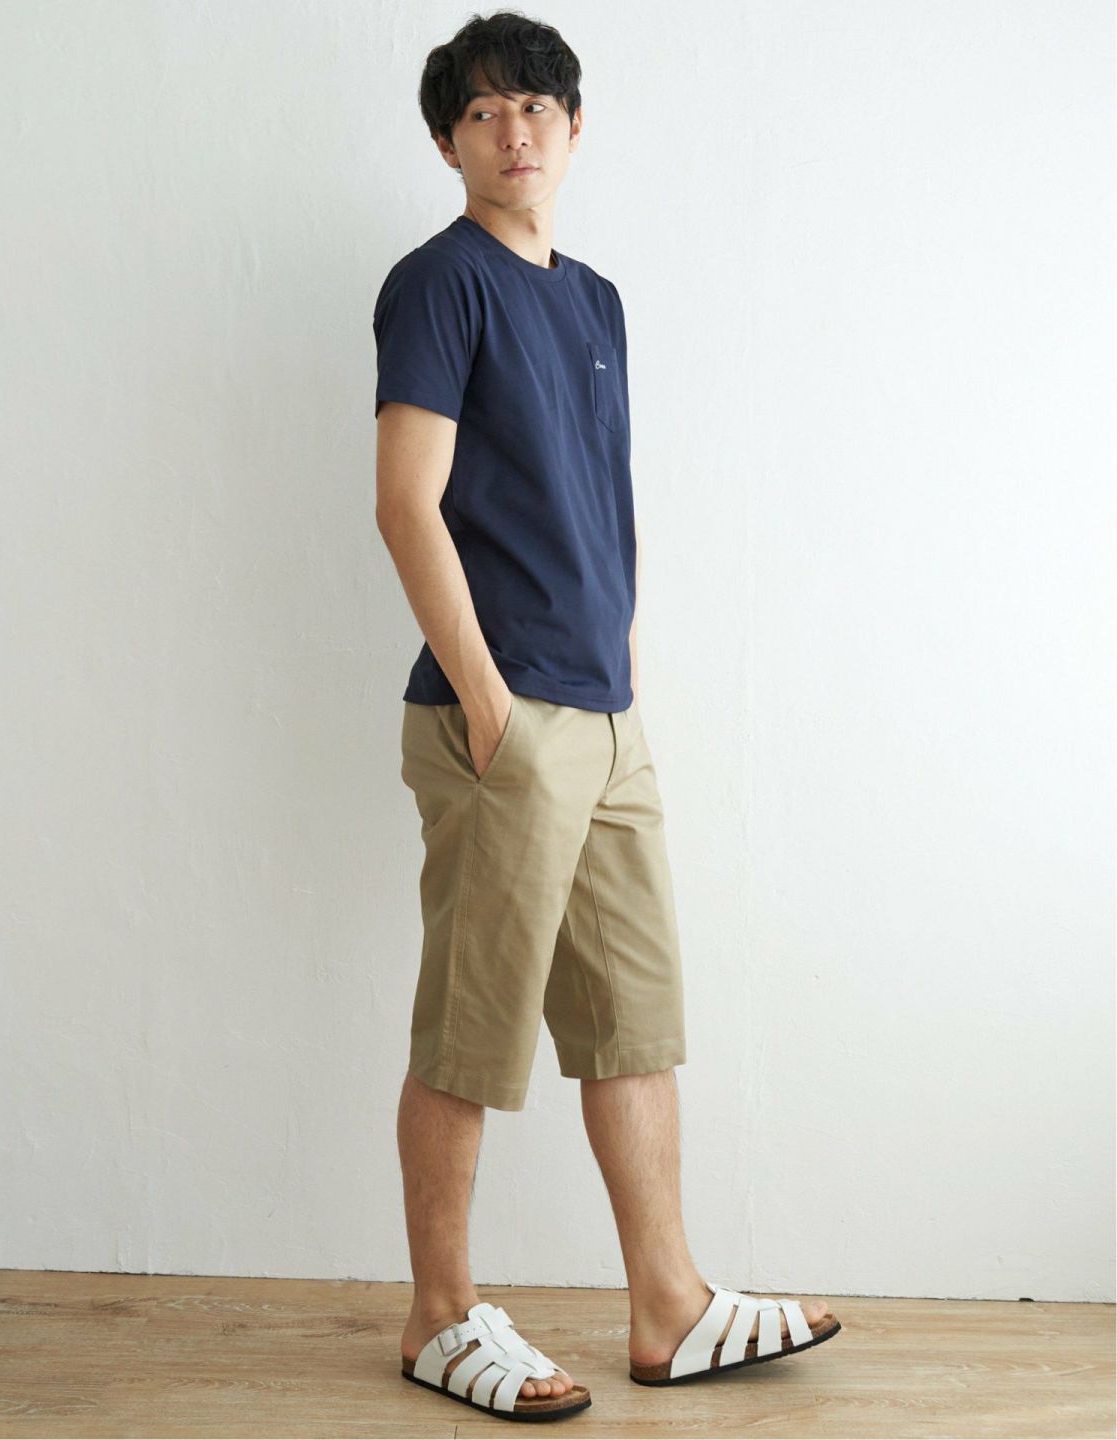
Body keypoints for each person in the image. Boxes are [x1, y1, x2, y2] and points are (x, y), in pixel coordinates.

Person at [372, 12, 841, 1423]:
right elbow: (406, 504)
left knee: (634, 1022)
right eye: (485, 109)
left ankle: (669, 1305)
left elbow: (602, 501)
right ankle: (438, 1316)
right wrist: (488, 704)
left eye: (538, 106)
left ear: (575, 130)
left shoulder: (597, 302)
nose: (515, 129)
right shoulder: (437, 284)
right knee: (471, 1034)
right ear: (449, 141)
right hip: (503, 718)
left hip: (608, 713)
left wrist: (622, 678)